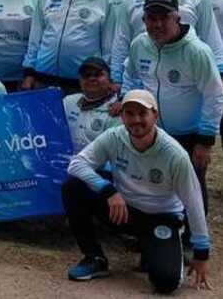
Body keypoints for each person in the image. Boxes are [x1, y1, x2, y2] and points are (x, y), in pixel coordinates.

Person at [62, 90, 211, 293]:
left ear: (155, 116)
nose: (136, 120)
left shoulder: (175, 154)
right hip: (123, 210)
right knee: (73, 186)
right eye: (130, 114)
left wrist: (201, 253)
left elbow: (194, 202)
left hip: (161, 217)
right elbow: (76, 164)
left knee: (166, 283)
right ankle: (94, 257)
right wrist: (108, 191)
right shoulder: (114, 136)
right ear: (122, 116)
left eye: (143, 114)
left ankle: (152, 248)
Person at [122, 0, 223, 216]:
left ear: (177, 18)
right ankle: (155, 233)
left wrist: (206, 140)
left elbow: (214, 94)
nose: (157, 24)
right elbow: (130, 73)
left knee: (191, 187)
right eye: (151, 18)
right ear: (144, 20)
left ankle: (192, 239)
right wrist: (127, 101)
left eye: (164, 18)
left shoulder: (197, 51)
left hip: (189, 134)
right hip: (152, 131)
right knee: (152, 183)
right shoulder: (140, 44)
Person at [22, 0, 114, 95]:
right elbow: (35, 37)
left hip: (83, 82)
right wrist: (29, 73)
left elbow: (108, 45)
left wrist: (108, 77)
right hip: (44, 79)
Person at [62, 57, 121, 154]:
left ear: (110, 79)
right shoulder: (68, 102)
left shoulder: (116, 111)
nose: (92, 78)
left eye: (97, 74)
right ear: (80, 80)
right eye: (86, 75)